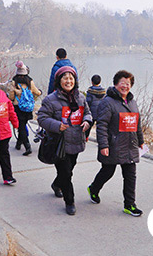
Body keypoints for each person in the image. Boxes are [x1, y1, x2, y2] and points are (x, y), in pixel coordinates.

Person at [87, 70, 144, 217]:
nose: (125, 86)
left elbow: (137, 123)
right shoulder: (108, 102)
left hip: (130, 145)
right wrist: (104, 145)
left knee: (130, 175)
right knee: (108, 172)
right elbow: (102, 125)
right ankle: (94, 189)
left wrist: (141, 140)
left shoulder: (132, 102)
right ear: (115, 84)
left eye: (128, 83)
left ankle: (129, 205)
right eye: (122, 83)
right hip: (114, 145)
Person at [37, 66, 92, 215]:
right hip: (59, 143)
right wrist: (57, 125)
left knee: (69, 170)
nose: (68, 81)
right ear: (59, 81)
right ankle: (70, 201)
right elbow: (41, 118)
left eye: (71, 78)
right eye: (65, 78)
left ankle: (56, 184)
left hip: (76, 140)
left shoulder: (80, 97)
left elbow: (87, 113)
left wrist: (87, 121)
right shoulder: (50, 99)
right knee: (66, 173)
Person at [7, 61, 42, 155]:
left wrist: (13, 97)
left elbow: (11, 95)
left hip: (18, 107)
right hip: (28, 108)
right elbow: (37, 92)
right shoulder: (29, 81)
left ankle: (27, 146)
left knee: (21, 126)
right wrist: (40, 92)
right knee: (22, 125)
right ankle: (19, 144)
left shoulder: (14, 81)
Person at [85, 74, 106, 139]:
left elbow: (88, 102)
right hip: (101, 113)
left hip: (92, 113)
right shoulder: (103, 92)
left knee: (88, 127)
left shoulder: (90, 91)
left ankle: (86, 137)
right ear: (100, 82)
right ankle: (101, 140)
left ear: (92, 82)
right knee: (101, 128)